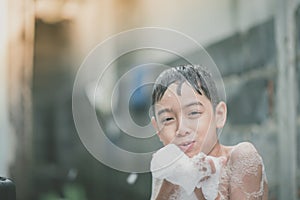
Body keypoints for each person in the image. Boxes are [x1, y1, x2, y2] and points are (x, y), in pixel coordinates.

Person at [150, 65, 268, 200]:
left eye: (194, 113)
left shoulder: (242, 158)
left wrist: (202, 188)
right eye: (168, 119)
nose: (181, 129)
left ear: (219, 115)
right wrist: (168, 186)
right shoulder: (168, 171)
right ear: (157, 129)